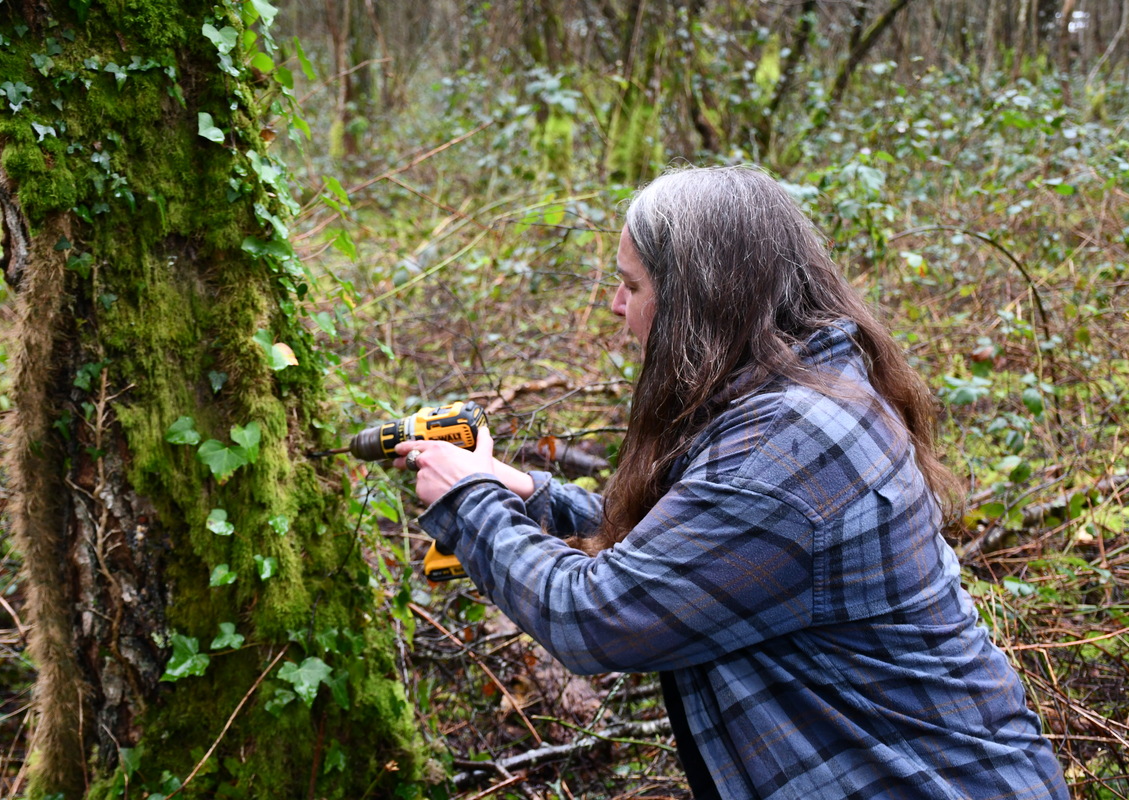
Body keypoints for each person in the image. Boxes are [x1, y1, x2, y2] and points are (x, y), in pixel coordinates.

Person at [394, 166, 1069, 799]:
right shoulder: (799, 395)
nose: (613, 305)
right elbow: (685, 538)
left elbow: (594, 618)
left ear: (699, 299)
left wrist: (468, 500)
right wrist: (526, 493)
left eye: (631, 286)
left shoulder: (787, 453)